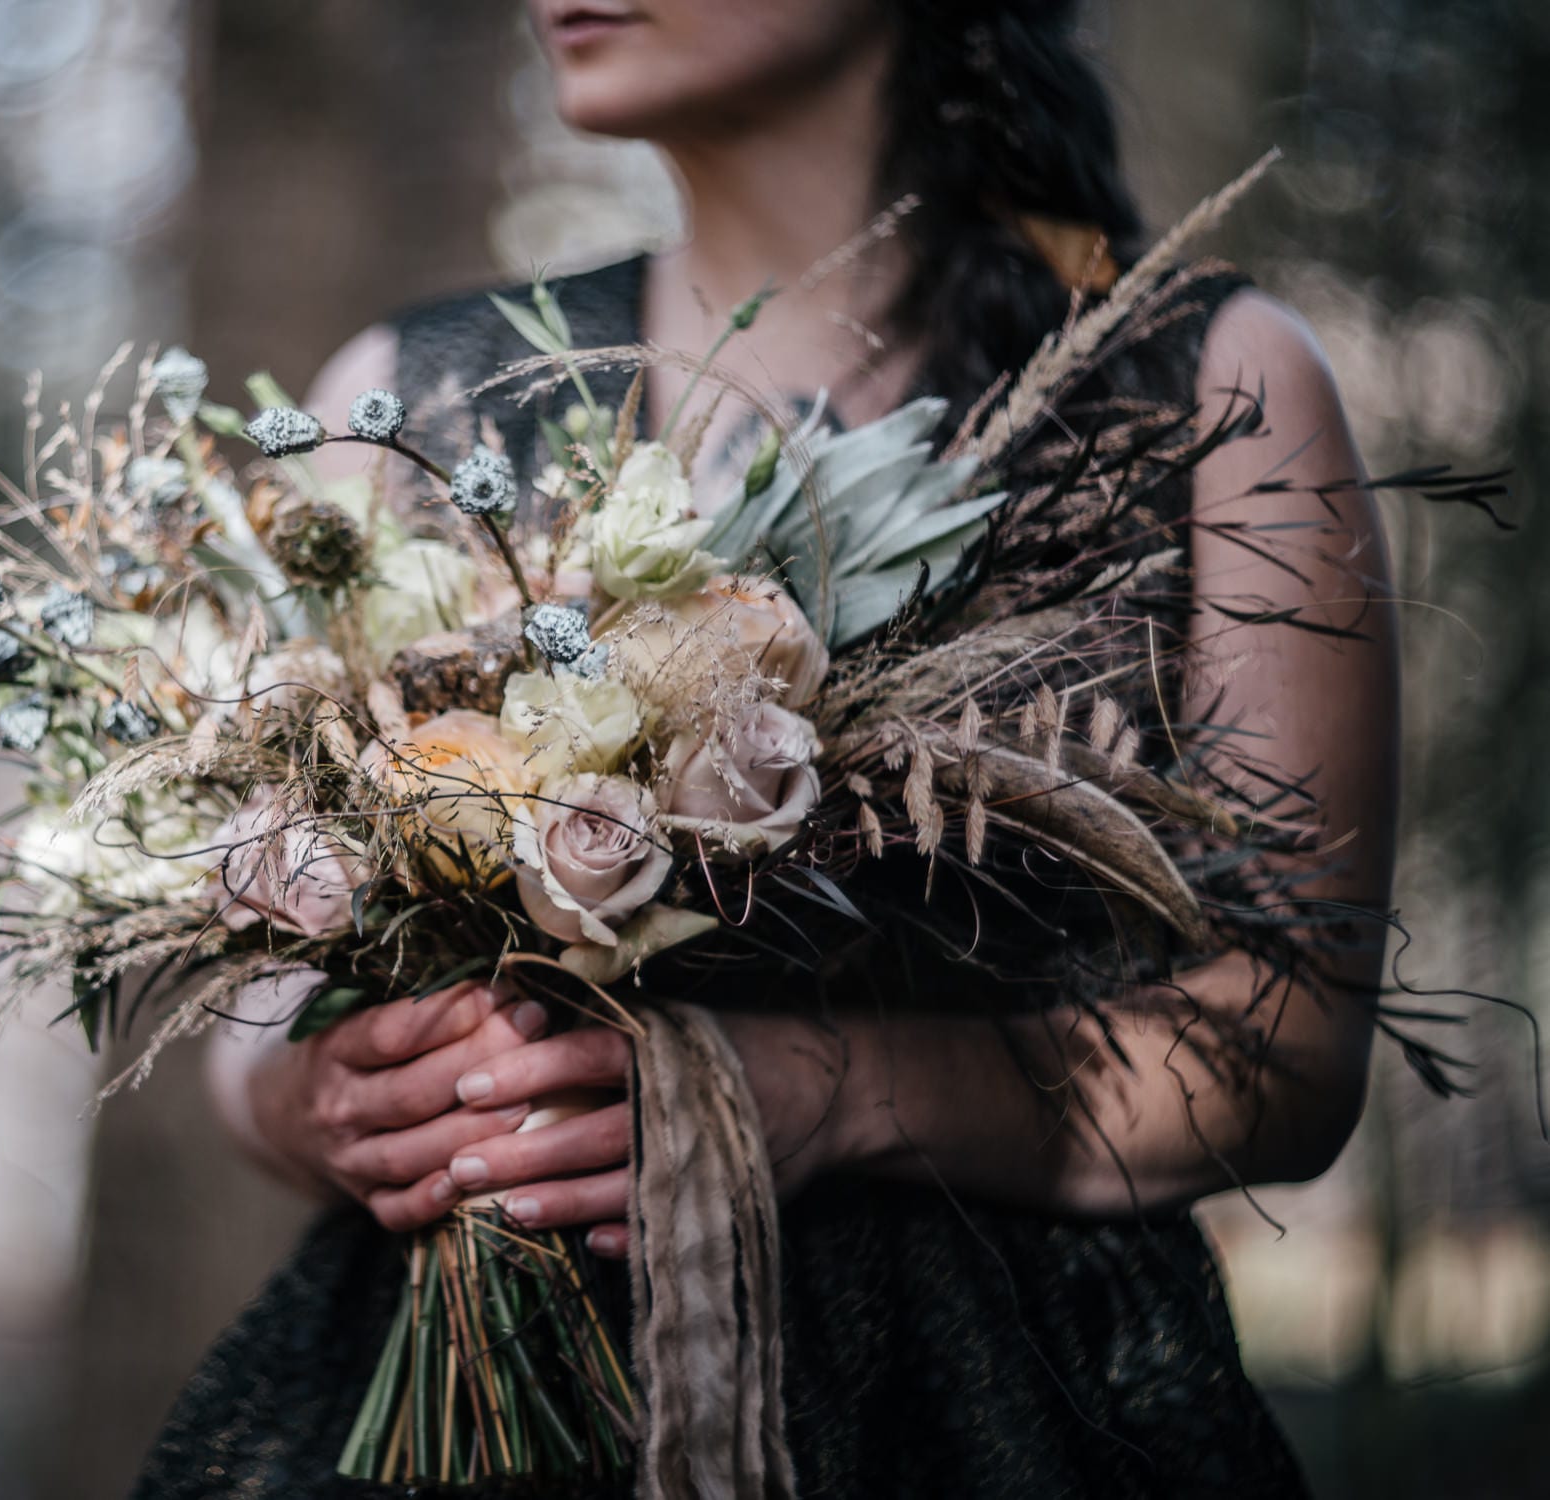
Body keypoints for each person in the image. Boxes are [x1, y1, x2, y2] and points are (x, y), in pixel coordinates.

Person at [135, 2, 1394, 1494]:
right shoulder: (408, 399)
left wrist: (829, 1088)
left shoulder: (1200, 393)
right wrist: (341, 1097)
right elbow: (252, 1016)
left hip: (993, 1412)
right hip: (444, 1408)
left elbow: (1284, 1049)